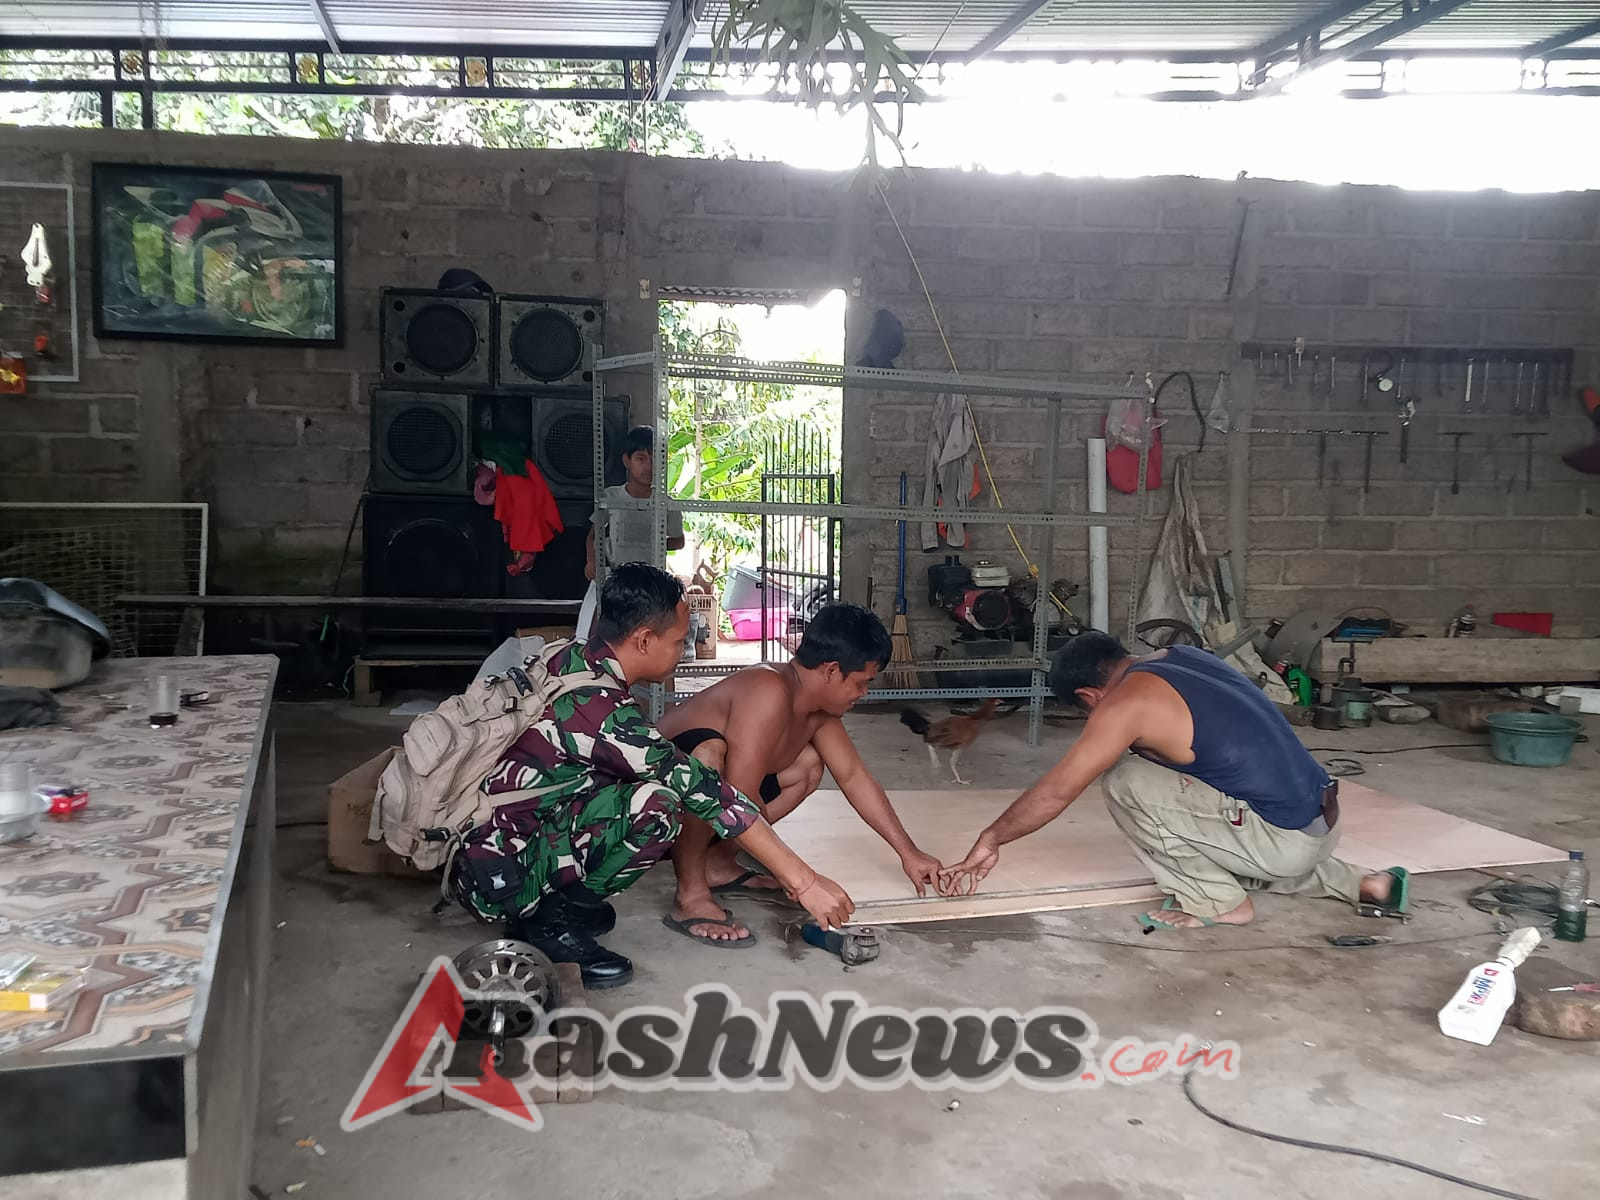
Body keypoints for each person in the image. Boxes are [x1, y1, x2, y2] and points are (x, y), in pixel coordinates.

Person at [448, 563, 854, 988]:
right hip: (497, 876)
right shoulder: (605, 713)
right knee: (659, 808)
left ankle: (558, 901)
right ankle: (547, 925)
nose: (683, 649)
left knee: (636, 787)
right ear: (643, 640)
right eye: (678, 641)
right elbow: (712, 796)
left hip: (484, 847)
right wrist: (804, 882)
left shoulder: (569, 657)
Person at [941, 632, 1406, 930]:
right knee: (1187, 793)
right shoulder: (1183, 657)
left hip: (1283, 841)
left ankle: (1217, 902)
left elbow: (1059, 789)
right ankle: (1367, 885)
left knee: (1126, 782)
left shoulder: (1127, 703)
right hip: (1319, 822)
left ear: (1089, 695)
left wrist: (992, 837)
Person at [657, 602, 946, 946]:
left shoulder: (817, 710)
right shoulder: (767, 689)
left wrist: (909, 853)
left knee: (808, 765)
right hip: (650, 813)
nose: (864, 693)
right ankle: (690, 893)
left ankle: (717, 865)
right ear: (831, 670)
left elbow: (854, 777)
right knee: (708, 760)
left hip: (715, 808)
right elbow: (738, 800)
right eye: (861, 683)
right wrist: (799, 878)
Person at [586, 426, 686, 580]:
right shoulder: (611, 497)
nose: (648, 466)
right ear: (627, 460)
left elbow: (679, 541)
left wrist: (650, 542)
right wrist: (592, 561)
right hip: (616, 576)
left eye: (654, 460)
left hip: (652, 578)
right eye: (641, 458)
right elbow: (593, 535)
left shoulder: (666, 504)